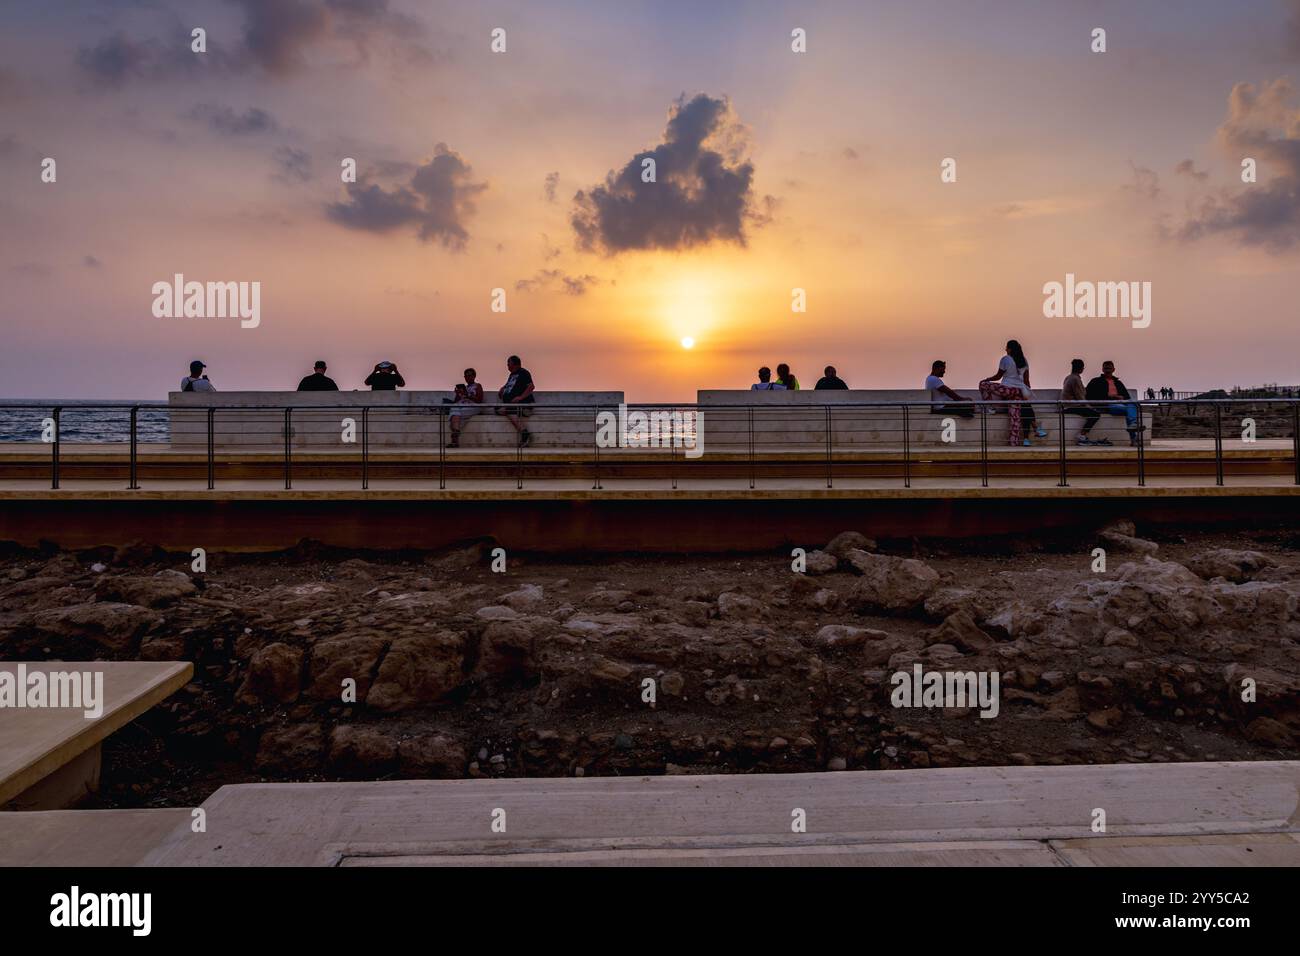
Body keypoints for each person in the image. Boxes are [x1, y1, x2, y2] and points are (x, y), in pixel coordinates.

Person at [978, 339, 1045, 446]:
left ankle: (990, 407)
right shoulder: (1024, 360)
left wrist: (986, 379)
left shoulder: (1006, 359)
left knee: (983, 385)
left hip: (1007, 390)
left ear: (1009, 349)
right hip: (1018, 392)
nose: (1005, 350)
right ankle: (1014, 444)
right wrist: (1026, 394)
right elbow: (1027, 381)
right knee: (1015, 420)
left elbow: (998, 376)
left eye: (1006, 348)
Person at [1086, 360, 1145, 446]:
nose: (1108, 370)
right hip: (1106, 406)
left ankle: (1133, 425)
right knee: (1129, 411)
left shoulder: (1118, 382)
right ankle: (1133, 435)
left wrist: (1121, 398)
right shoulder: (1096, 381)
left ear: (1114, 369)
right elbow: (1090, 396)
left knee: (1132, 404)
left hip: (1120, 404)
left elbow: (1127, 397)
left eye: (1109, 368)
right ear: (1102, 369)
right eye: (1106, 368)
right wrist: (1111, 397)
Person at [495, 355, 535, 447]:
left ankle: (524, 434)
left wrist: (520, 397)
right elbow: (510, 385)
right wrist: (503, 388)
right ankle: (524, 433)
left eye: (508, 363)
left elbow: (531, 386)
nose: (507, 365)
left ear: (514, 364)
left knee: (507, 410)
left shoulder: (523, 373)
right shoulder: (512, 375)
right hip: (512, 405)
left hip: (524, 405)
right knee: (497, 409)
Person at [1062, 359, 1103, 444]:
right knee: (1095, 415)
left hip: (1067, 405)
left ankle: (1082, 436)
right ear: (1082, 369)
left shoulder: (1068, 377)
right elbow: (1080, 397)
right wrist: (1090, 408)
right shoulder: (1075, 379)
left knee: (1093, 412)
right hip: (1071, 406)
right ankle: (1081, 435)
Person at [448, 367, 484, 448]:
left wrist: (467, 395)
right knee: (455, 410)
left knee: (455, 413)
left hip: (473, 406)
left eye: (469, 375)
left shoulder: (478, 386)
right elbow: (456, 401)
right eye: (466, 376)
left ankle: (455, 439)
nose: (467, 377)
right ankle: (456, 434)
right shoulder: (465, 387)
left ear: (474, 376)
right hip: (462, 407)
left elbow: (479, 400)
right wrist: (458, 394)